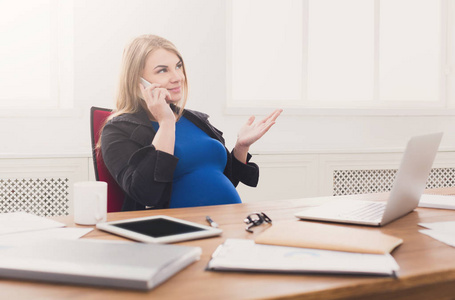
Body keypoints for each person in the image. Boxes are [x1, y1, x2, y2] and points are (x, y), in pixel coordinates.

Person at [100, 34, 282, 211]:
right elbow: (146, 193)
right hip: (178, 232)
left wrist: (241, 146)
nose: (178, 77)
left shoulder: (195, 120)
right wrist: (166, 123)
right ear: (137, 82)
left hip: (231, 220)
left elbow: (222, 180)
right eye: (162, 70)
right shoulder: (117, 130)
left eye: (178, 66)